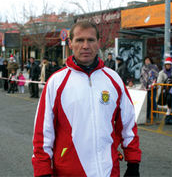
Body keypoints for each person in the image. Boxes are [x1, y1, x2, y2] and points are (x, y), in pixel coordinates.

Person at [32, 21, 141, 177]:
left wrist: (133, 164)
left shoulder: (113, 80)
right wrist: (42, 172)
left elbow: (128, 124)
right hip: (68, 172)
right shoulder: (56, 82)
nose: (85, 46)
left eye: (90, 40)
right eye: (79, 40)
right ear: (70, 43)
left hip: (108, 171)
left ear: (98, 43)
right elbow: (43, 132)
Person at [140, 56, 159, 120]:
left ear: (150, 60)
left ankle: (154, 114)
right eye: (146, 60)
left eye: (148, 60)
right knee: (147, 102)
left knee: (152, 100)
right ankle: (147, 115)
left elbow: (156, 76)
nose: (147, 61)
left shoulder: (154, 67)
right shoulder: (143, 67)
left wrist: (153, 83)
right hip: (145, 87)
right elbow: (142, 76)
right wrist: (142, 84)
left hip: (152, 87)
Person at [157, 56, 172, 125]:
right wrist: (165, 85)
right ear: (165, 65)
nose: (168, 66)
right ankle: (167, 119)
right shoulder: (161, 73)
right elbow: (158, 82)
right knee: (168, 105)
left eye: (169, 65)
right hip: (165, 91)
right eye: (167, 65)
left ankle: (171, 118)